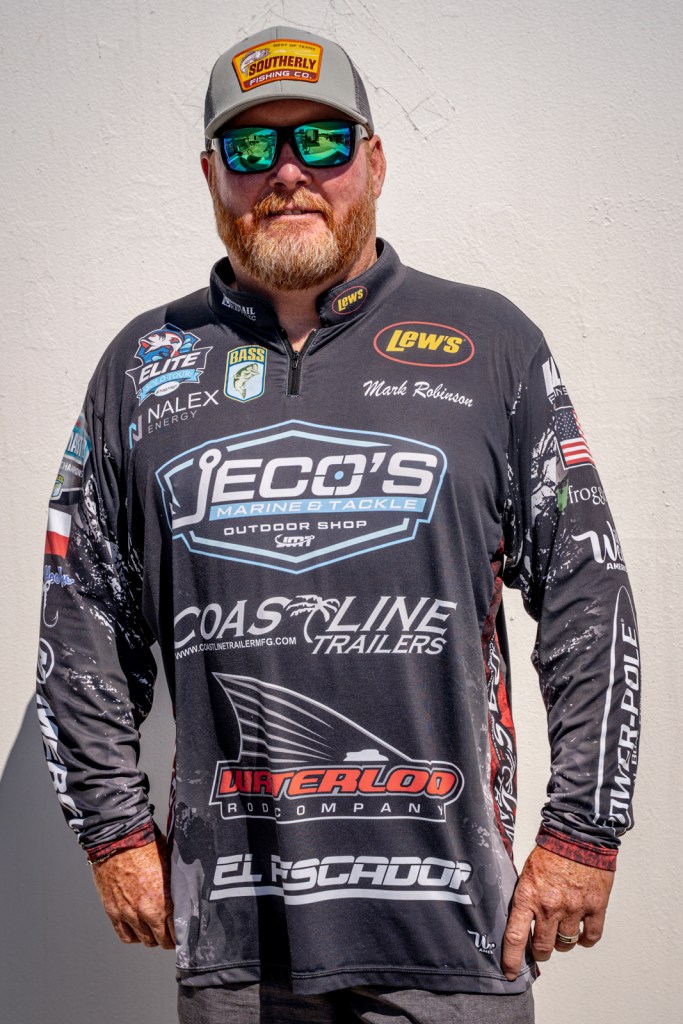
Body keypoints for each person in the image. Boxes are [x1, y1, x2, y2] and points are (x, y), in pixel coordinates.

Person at [36, 24, 640, 1024]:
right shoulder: (143, 364)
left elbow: (586, 592)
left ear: (374, 159)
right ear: (211, 174)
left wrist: (583, 831)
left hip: (455, 935)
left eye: (319, 140)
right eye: (249, 147)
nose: (286, 172)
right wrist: (114, 835)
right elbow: (82, 620)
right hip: (235, 946)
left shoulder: (490, 343)